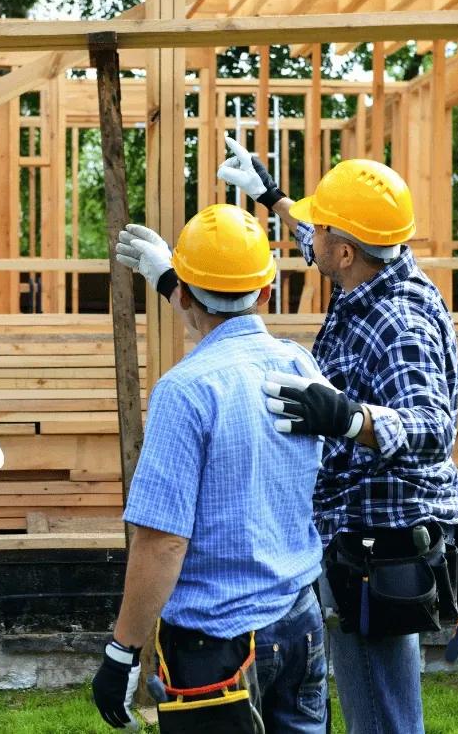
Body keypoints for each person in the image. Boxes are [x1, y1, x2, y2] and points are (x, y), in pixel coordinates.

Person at [125, 139, 458, 733]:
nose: (307, 239)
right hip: (328, 567)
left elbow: (435, 430)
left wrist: (351, 419)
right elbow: (243, 329)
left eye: (320, 231)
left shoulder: (401, 320)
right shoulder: (367, 275)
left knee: (381, 715)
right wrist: (270, 202)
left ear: (343, 251)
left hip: (376, 544)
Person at [92, 204, 328, 733]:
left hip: (217, 647)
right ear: (267, 292)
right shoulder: (298, 364)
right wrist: (173, 279)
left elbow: (162, 543)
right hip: (298, 622)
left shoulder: (186, 391)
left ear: (185, 293)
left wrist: (122, 650)